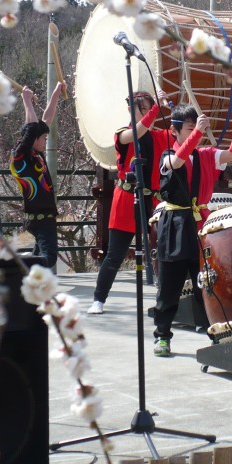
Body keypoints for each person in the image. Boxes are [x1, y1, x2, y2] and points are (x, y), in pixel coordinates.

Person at [151, 103, 232, 356]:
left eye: (197, 128)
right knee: (169, 287)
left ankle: (215, 334)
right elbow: (178, 161)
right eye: (191, 129)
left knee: (206, 283)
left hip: (201, 224)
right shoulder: (167, 156)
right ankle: (162, 336)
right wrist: (197, 134)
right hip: (175, 224)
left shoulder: (206, 154)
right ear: (175, 131)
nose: (196, 132)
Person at [86, 90, 171, 314]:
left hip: (151, 201)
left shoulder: (160, 136)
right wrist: (154, 110)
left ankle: (166, 300)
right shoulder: (123, 134)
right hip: (126, 199)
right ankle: (98, 299)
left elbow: (181, 138)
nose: (145, 113)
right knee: (115, 254)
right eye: (140, 109)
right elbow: (137, 131)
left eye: (146, 109)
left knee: (163, 252)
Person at [10, 81, 64, 269]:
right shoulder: (20, 156)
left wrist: (56, 93)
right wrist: (27, 101)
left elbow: (44, 121)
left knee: (39, 256)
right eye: (43, 138)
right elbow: (32, 128)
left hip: (43, 216)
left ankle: (26, 276)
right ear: (32, 139)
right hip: (39, 217)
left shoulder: (34, 153)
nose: (45, 141)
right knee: (48, 257)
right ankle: (18, 268)